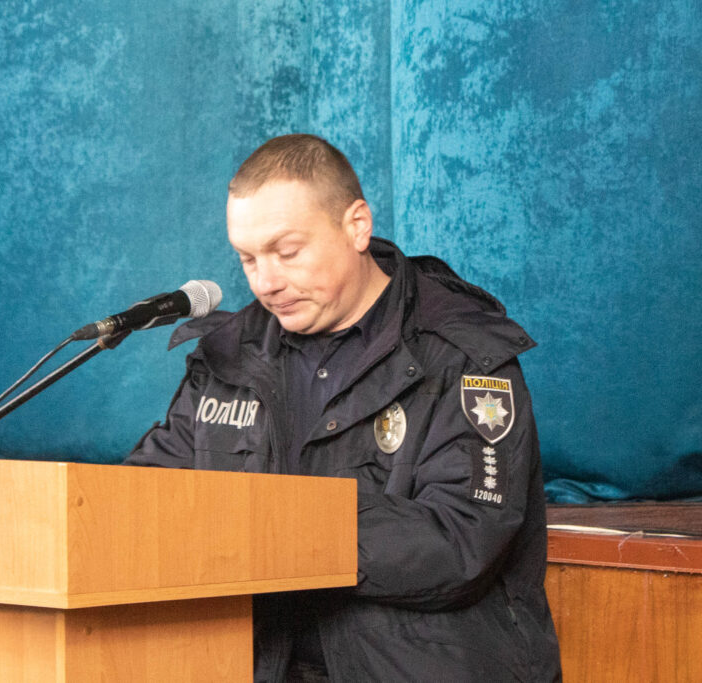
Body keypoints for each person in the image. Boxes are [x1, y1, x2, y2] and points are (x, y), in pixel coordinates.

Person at [125, 134, 561, 682]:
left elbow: (459, 542)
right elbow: (143, 502)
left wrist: (274, 531)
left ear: (356, 226)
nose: (266, 282)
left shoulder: (462, 354)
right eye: (248, 259)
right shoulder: (228, 358)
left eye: (287, 253)